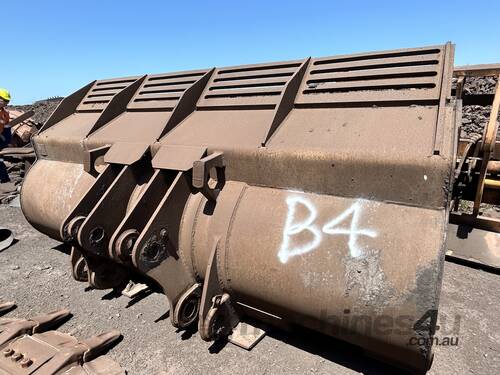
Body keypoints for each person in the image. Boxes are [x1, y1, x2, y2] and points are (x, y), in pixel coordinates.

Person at [0, 88, 12, 183]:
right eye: (5, 100)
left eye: (7, 101)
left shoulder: (5, 113)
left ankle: (4, 179)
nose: (6, 103)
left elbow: (7, 127)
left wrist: (7, 140)